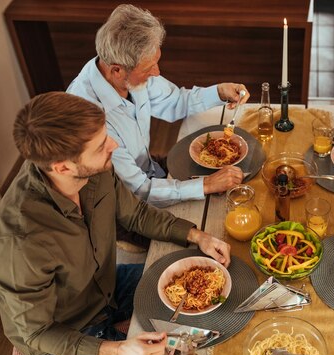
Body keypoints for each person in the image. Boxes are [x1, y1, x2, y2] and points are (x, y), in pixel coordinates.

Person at [0, 92, 232, 355]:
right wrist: (118, 352)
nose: (113, 145)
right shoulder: (15, 244)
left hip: (103, 286)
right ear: (63, 167)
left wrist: (196, 235)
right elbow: (38, 332)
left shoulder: (95, 169)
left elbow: (136, 214)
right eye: (101, 145)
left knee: (204, 280)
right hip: (66, 332)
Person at [67, 4, 250, 209]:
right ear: (117, 70)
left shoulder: (127, 73)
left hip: (151, 170)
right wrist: (205, 185)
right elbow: (139, 190)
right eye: (148, 68)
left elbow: (176, 101)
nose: (156, 72)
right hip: (124, 206)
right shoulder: (90, 119)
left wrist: (219, 92)